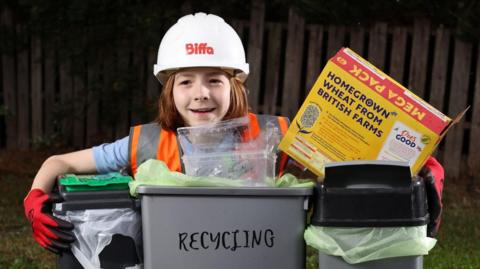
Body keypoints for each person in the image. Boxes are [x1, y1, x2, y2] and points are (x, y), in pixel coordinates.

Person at [23, 12, 445, 255]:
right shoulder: (145, 142)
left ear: (236, 85)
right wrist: (35, 198)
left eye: (215, 80)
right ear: (169, 88)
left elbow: (357, 160)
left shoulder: (277, 135)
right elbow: (58, 163)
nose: (201, 94)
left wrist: (425, 167)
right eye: (185, 81)